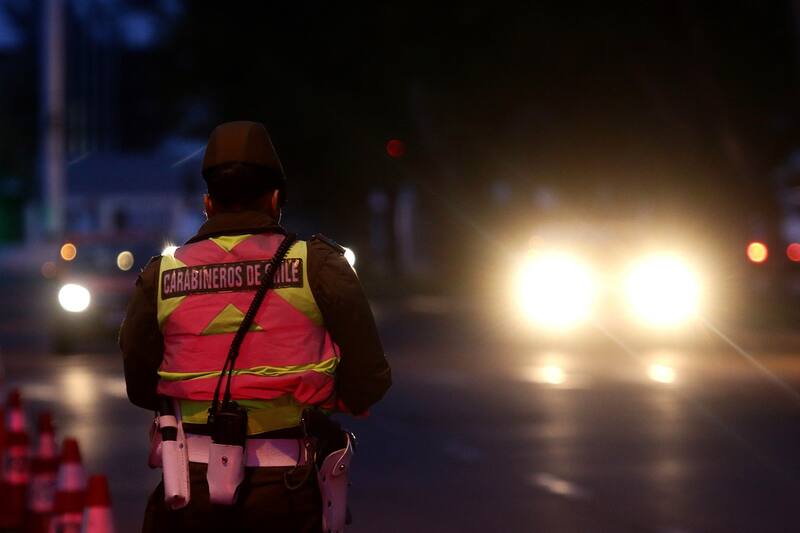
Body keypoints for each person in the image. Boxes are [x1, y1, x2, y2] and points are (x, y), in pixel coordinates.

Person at [120, 121, 392, 533]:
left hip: (190, 495)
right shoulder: (315, 266)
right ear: (276, 199)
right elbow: (370, 377)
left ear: (208, 203)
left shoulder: (163, 275)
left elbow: (140, 384)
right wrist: (328, 398)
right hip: (286, 491)